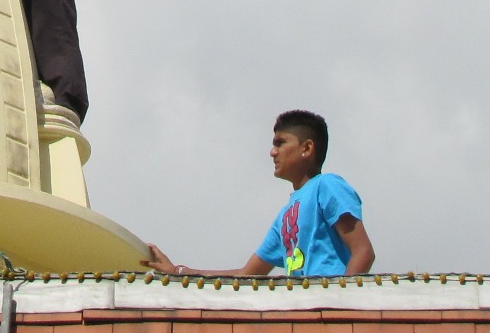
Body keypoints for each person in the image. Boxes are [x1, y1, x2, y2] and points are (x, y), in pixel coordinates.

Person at [144, 111, 375, 278]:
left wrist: (341, 305)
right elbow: (246, 275)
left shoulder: (327, 186)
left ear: (306, 148)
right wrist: (178, 271)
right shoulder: (284, 217)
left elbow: (363, 252)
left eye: (281, 143)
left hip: (331, 316)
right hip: (303, 317)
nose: (273, 152)